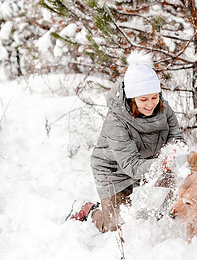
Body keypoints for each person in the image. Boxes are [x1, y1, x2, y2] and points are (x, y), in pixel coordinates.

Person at [72, 52, 185, 232]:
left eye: (154, 97)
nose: (150, 104)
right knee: (115, 226)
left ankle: (163, 218)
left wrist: (175, 152)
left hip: (151, 162)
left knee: (182, 191)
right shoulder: (116, 120)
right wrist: (164, 162)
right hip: (114, 170)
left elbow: (177, 138)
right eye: (143, 99)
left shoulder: (164, 108)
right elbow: (130, 165)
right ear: (132, 98)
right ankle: (90, 211)